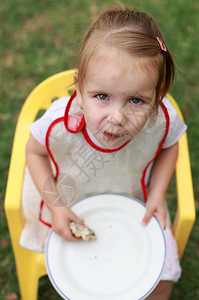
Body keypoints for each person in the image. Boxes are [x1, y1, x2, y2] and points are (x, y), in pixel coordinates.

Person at [20, 7, 186, 299]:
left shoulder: (161, 118)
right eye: (102, 97)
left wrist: (158, 193)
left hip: (132, 204)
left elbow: (171, 144)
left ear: (157, 95)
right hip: (71, 204)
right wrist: (57, 208)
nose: (118, 117)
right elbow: (34, 153)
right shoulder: (61, 124)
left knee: (161, 279)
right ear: (79, 87)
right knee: (88, 282)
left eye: (136, 100)